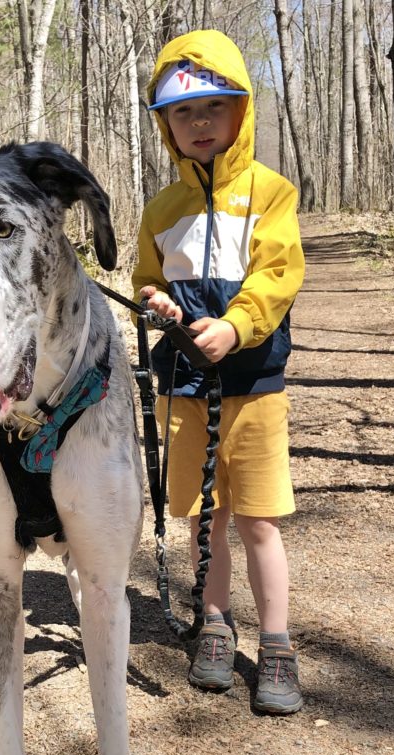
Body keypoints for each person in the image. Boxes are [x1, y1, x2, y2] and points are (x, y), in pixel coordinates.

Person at [132, 30, 306, 714]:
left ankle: (277, 643)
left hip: (254, 383)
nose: (199, 124)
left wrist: (235, 326)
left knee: (259, 520)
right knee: (207, 517)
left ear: (241, 112)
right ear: (165, 124)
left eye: (212, 108)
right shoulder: (161, 210)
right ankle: (213, 622)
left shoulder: (271, 192)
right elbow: (146, 281)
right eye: (183, 113)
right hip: (184, 387)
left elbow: (278, 272)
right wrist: (158, 304)